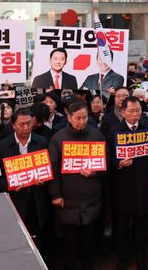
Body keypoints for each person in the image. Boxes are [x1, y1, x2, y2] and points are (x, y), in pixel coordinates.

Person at [48, 101, 106, 270]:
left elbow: (106, 162)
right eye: (78, 118)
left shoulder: (96, 136)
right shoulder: (58, 139)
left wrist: (95, 172)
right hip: (68, 200)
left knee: (90, 241)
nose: (82, 121)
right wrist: (56, 195)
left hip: (91, 198)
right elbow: (52, 169)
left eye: (85, 117)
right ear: (69, 117)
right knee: (70, 243)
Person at [107, 96, 148, 270]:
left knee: (142, 225)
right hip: (123, 187)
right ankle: (122, 258)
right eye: (131, 111)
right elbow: (106, 158)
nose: (135, 114)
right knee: (122, 227)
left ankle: (141, 256)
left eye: (138, 111)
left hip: (145, 184)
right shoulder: (114, 131)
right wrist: (118, 163)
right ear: (122, 112)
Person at [0, 108, 51, 253]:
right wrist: (10, 186)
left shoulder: (42, 142)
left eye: (29, 123)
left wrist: (44, 178)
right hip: (16, 197)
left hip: (37, 196)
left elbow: (49, 167)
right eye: (21, 124)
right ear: (13, 125)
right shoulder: (3, 146)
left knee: (39, 234)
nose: (26, 127)